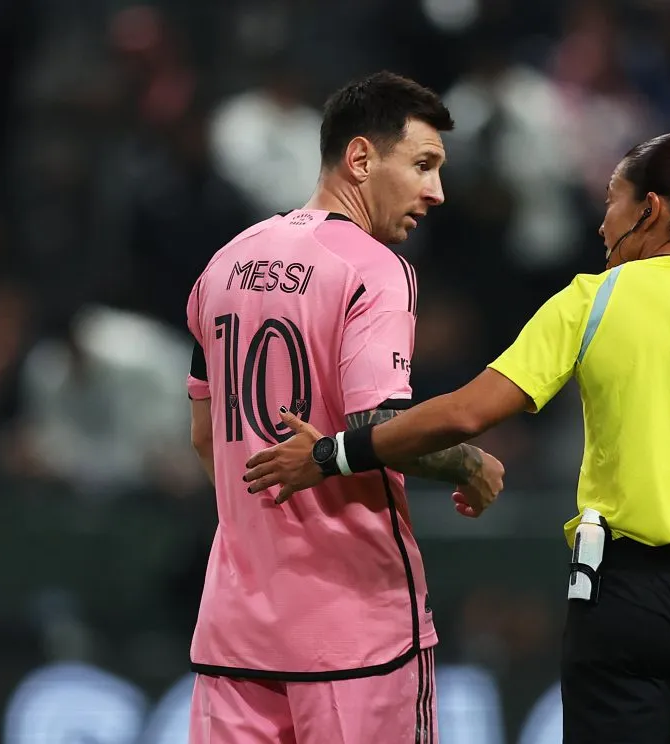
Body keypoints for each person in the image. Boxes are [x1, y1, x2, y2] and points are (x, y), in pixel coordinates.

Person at [243, 132, 670, 743]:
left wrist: (334, 452)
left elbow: (467, 414)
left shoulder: (592, 301)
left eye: (613, 203)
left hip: (622, 600)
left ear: (650, 209)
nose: (602, 222)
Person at [185, 71, 504, 744]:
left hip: (236, 637)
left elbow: (205, 438)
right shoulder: (373, 268)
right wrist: (470, 462)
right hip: (356, 634)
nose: (436, 192)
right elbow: (379, 428)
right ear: (361, 158)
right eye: (422, 165)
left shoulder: (224, 264)